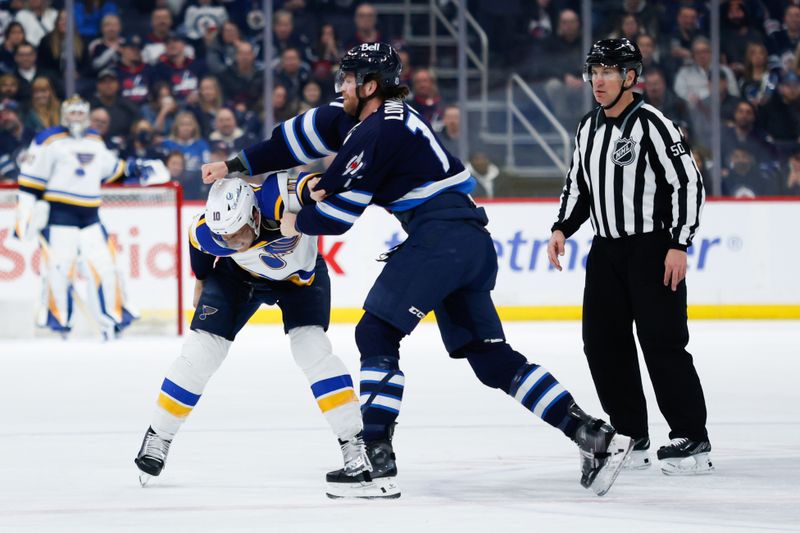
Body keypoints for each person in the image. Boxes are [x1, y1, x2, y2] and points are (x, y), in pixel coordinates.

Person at [202, 42, 633, 499]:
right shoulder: (361, 117)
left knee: (375, 334)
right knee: (489, 358)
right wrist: (231, 165)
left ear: (369, 86)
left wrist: (294, 218)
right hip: (466, 240)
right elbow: (288, 142)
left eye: (347, 80)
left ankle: (375, 461)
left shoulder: (378, 132)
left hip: (440, 238)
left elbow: (338, 213)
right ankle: (593, 435)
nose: (340, 87)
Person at [133, 175, 370, 489]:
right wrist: (201, 279)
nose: (231, 242)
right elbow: (197, 243)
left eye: (238, 233)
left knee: (312, 350)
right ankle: (157, 438)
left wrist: (304, 212)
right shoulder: (208, 233)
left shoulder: (278, 196)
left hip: (299, 281)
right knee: (199, 353)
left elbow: (321, 186)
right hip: (238, 278)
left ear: (255, 215)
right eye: (225, 237)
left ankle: (354, 444)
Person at [546, 38, 712, 476]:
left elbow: (688, 185)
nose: (598, 80)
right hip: (606, 251)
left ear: (630, 77)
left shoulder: (654, 124)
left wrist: (679, 243)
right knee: (601, 343)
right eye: (593, 71)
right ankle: (632, 433)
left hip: (653, 248)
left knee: (662, 343)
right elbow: (578, 186)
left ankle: (692, 437)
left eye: (608, 71)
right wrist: (562, 227)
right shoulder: (588, 126)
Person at [13, 96, 167, 339]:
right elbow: (30, 182)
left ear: (86, 115)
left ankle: (113, 318)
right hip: (58, 217)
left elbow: (111, 169)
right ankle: (58, 324)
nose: (76, 117)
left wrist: (134, 167)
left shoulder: (94, 139)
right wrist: (25, 215)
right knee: (59, 270)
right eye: (71, 113)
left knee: (107, 268)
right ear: (64, 114)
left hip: (91, 217)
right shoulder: (48, 140)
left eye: (80, 113)